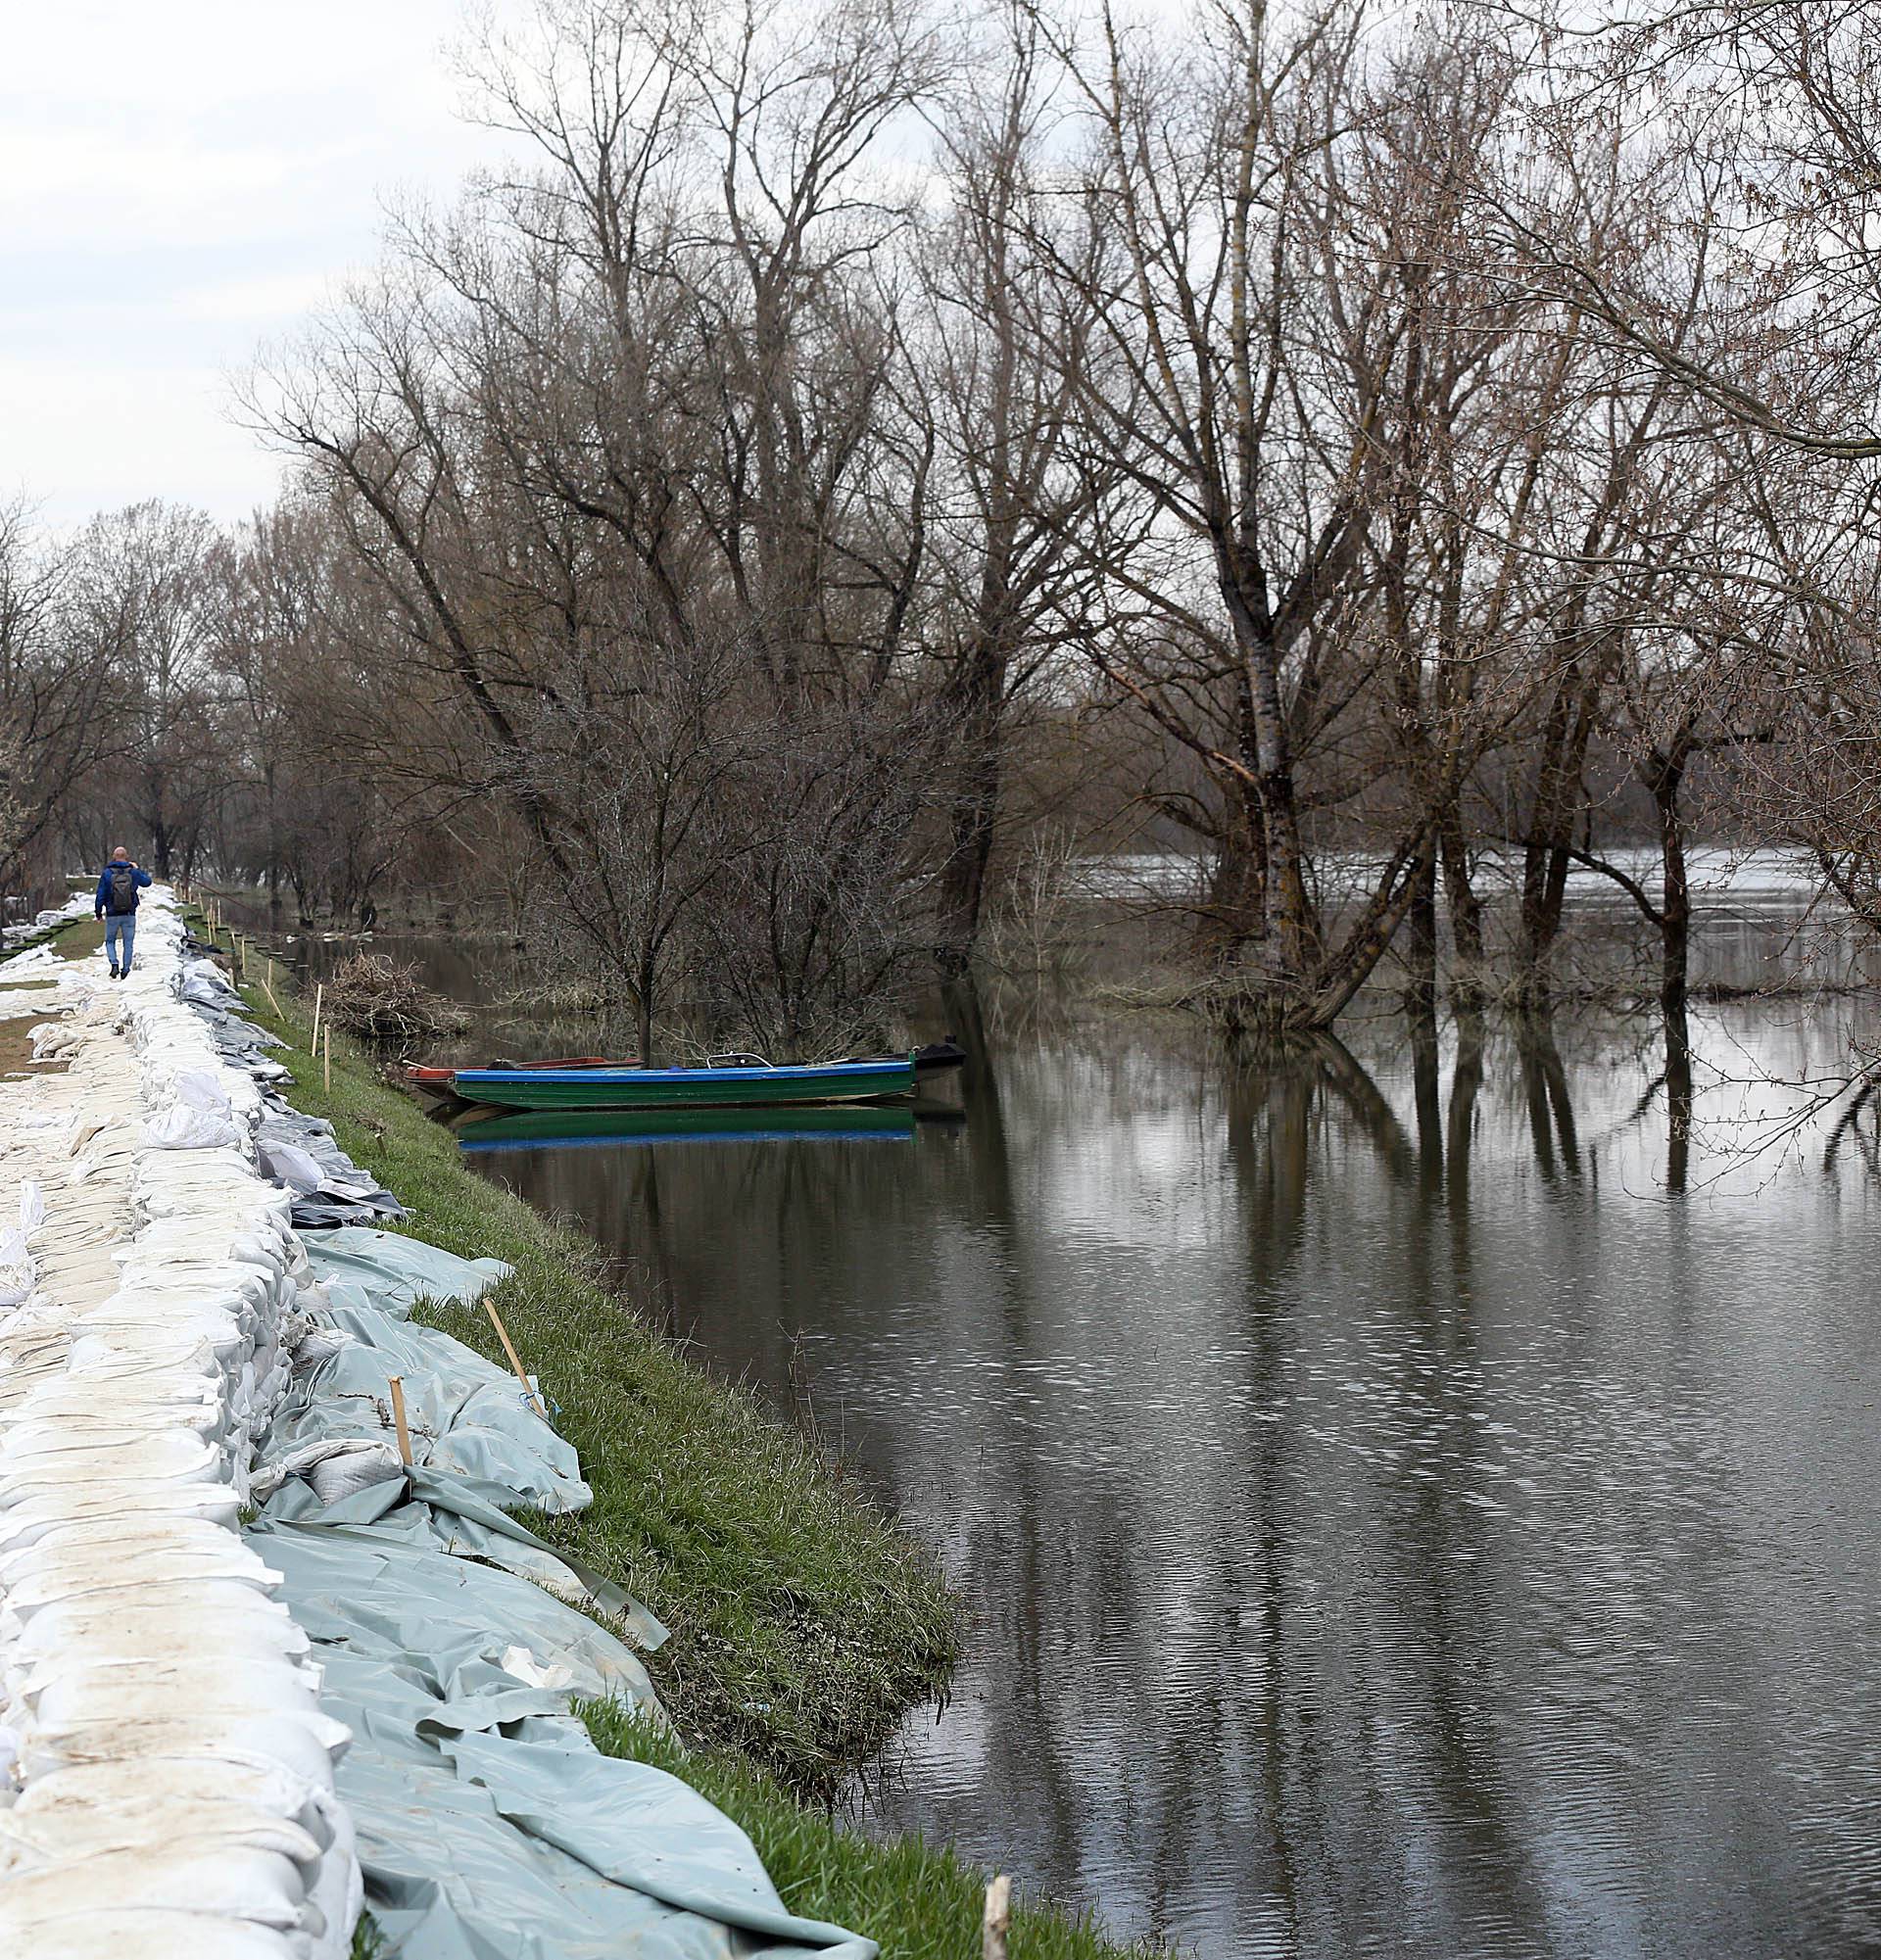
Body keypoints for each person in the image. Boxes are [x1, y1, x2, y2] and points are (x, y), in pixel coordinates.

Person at [94, 846, 153, 979]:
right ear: (127, 856)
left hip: (112, 913)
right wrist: (137, 869)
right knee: (128, 942)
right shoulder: (133, 872)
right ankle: (125, 970)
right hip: (129, 913)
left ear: (114, 856)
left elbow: (100, 895)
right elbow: (147, 882)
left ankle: (114, 964)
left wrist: (98, 913)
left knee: (110, 941)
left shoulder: (107, 873)